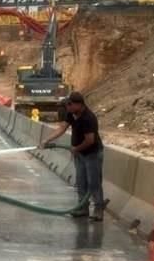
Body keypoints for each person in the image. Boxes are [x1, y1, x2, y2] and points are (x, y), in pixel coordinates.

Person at [40, 91, 105, 221]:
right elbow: (62, 128)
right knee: (81, 181)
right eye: (67, 105)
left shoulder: (88, 118)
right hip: (79, 154)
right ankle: (83, 208)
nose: (67, 107)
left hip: (92, 154)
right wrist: (47, 139)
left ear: (79, 104)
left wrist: (76, 148)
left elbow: (90, 140)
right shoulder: (72, 114)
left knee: (93, 183)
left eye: (69, 104)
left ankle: (98, 209)